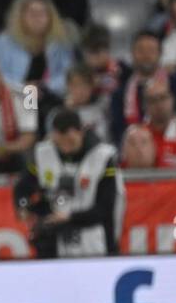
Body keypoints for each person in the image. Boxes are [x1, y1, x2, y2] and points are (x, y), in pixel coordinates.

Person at [13, 107, 123, 258]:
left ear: (81, 132)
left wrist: (69, 217)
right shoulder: (43, 154)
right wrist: (23, 206)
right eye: (60, 142)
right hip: (54, 240)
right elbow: (22, 188)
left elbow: (106, 207)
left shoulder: (103, 158)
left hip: (94, 238)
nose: (65, 147)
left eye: (71, 141)